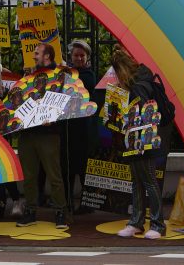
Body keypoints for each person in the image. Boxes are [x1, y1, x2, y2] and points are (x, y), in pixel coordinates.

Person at [111, 48, 166, 239]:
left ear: (122, 71)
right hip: (137, 139)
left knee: (148, 181)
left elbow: (142, 117)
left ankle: (157, 224)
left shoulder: (139, 87)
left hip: (144, 140)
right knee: (138, 181)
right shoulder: (141, 83)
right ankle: (137, 222)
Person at [14, 43, 69, 229]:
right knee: (29, 175)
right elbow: (18, 99)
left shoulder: (61, 76)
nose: (33, 55)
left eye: (37, 53)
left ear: (47, 56)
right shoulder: (29, 76)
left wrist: (54, 117)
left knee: (54, 175)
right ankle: (30, 211)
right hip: (27, 133)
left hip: (48, 133)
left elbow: (67, 103)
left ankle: (61, 211)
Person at [59, 39, 98, 213]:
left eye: (82, 55)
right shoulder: (65, 72)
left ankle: (87, 203)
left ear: (87, 57)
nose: (79, 58)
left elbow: (80, 84)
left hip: (83, 129)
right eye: (76, 55)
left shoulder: (88, 74)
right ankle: (67, 202)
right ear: (71, 56)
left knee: (84, 168)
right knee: (66, 168)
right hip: (67, 128)